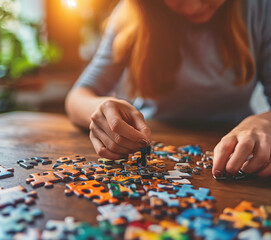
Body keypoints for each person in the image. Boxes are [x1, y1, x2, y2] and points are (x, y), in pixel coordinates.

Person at [65, 0, 271, 178]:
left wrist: (264, 121)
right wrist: (103, 108)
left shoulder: (261, 9)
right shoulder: (131, 13)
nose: (191, 6)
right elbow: (77, 97)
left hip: (239, 154)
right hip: (151, 147)